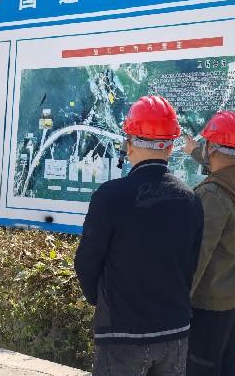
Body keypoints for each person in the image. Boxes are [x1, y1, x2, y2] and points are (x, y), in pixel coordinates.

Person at [75, 95, 204, 376]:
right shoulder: (191, 199)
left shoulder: (110, 196)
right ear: (170, 146)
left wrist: (102, 300)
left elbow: (86, 262)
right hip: (174, 330)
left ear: (129, 144)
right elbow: (191, 265)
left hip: (122, 333)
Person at [183, 111, 235, 376]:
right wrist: (195, 152)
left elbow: (198, 255)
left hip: (210, 304)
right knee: (227, 365)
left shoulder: (212, 195)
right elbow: (222, 168)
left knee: (201, 369)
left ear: (212, 148)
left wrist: (179, 302)